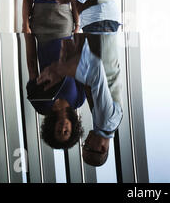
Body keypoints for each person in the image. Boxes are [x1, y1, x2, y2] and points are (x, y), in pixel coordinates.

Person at [36, 34, 122, 166]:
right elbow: (95, 69)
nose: (85, 141)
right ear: (102, 149)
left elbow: (90, 79)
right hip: (100, 34)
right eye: (87, 147)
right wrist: (60, 70)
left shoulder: (105, 123)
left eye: (84, 145)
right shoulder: (106, 122)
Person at [24, 34, 85, 149]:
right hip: (66, 33)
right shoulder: (78, 100)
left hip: (43, 37)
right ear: (73, 129)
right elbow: (81, 63)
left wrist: (28, 35)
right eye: (66, 132)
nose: (63, 128)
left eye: (58, 132)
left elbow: (32, 67)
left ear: (52, 129)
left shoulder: (41, 106)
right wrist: (77, 31)